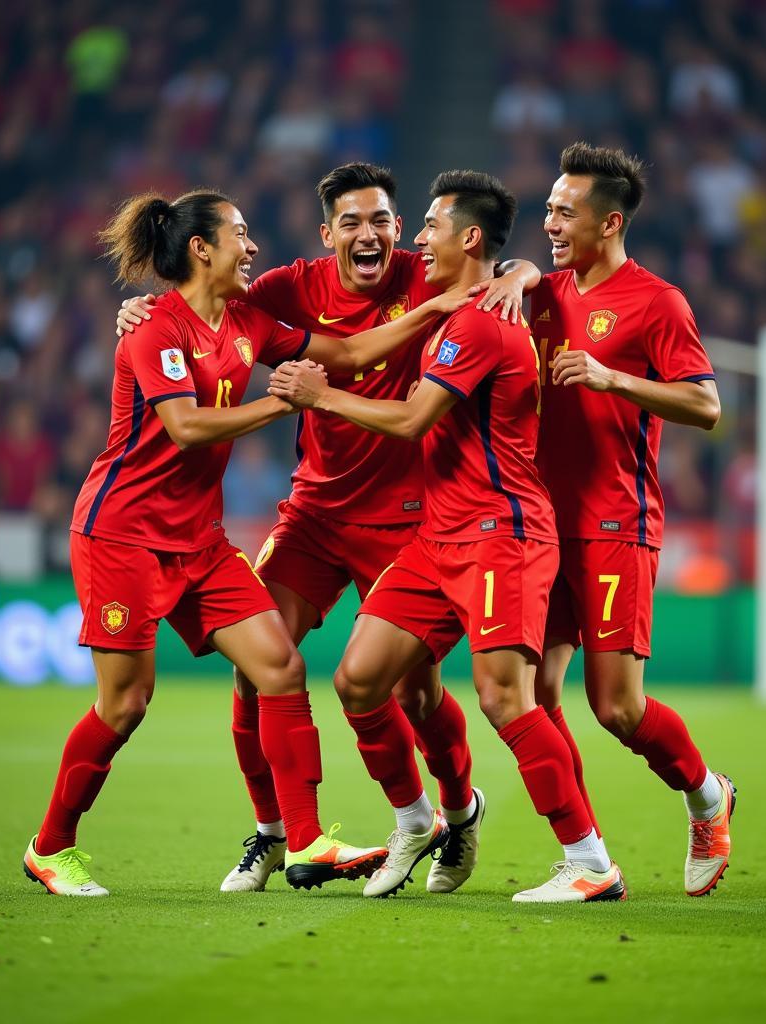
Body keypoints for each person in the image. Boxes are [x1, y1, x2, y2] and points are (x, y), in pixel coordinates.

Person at [25, 187, 465, 896]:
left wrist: (432, 311)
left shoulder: (247, 322)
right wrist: (283, 400)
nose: (252, 246)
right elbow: (187, 426)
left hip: (198, 540)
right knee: (125, 704)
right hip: (123, 537)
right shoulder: (154, 329)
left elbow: (348, 350)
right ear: (202, 249)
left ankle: (305, 839)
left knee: (278, 668)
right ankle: (51, 846)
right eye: (239, 233)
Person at [116, 163, 539, 894]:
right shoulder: (285, 288)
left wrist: (521, 275)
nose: (367, 233)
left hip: (411, 520)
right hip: (313, 515)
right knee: (260, 672)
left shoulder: (430, 271)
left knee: (414, 693)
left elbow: (512, 264)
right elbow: (197, 301)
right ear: (327, 234)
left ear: (400, 229)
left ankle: (457, 810)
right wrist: (135, 311)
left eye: (380, 219)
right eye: (351, 222)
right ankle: (275, 832)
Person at [269, 170, 625, 903]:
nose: (415, 239)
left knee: (503, 698)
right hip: (440, 534)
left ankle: (589, 861)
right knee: (361, 680)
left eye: (427, 226)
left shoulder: (480, 324)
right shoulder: (459, 307)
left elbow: (408, 419)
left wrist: (319, 395)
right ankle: (417, 819)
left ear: (467, 237)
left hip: (502, 533)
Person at [531, 142, 734, 897]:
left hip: (617, 523)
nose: (549, 221)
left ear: (609, 221)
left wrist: (613, 376)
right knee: (527, 695)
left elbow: (706, 406)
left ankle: (707, 796)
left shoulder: (658, 302)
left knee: (615, 707)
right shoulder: (540, 294)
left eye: (564, 211)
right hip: (540, 527)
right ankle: (585, 859)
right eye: (548, 208)